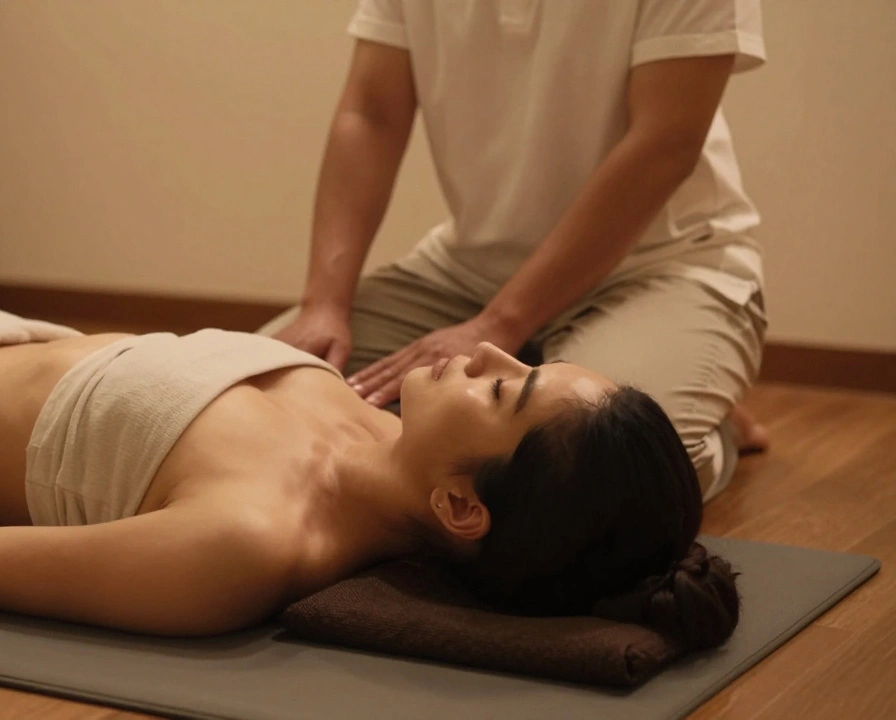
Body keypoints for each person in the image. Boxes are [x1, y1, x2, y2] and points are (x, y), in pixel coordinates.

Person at [0, 324, 738, 648]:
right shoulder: (362, 412)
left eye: (505, 394)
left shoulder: (246, 546)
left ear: (460, 506)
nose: (486, 356)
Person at [266, 0, 771, 503]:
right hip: (465, 275)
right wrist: (324, 304)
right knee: (245, 392)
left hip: (663, 270)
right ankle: (549, 369)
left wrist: (498, 326)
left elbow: (666, 143)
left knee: (601, 481)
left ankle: (707, 417)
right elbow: (371, 113)